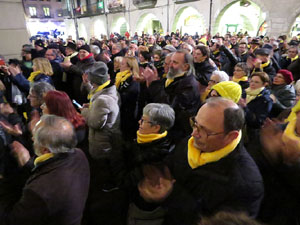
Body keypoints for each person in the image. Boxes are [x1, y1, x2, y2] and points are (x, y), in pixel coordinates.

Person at [138, 98, 264, 223]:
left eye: (206, 131)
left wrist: (171, 194)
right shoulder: (192, 142)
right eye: (195, 123)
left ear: (231, 136)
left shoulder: (246, 183)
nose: (194, 133)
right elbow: (171, 164)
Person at [0, 115, 90, 225]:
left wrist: (5, 183)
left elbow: (10, 220)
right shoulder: (79, 155)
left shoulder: (40, 191)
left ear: (45, 150)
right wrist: (27, 164)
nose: (32, 139)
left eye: (34, 137)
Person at [239, 72, 273, 141]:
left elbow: (257, 122)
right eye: (251, 81)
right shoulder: (244, 92)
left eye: (256, 82)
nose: (252, 84)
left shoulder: (265, 99)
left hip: (250, 134)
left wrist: (245, 107)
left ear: (264, 84)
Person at [115, 57, 140, 141]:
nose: (120, 66)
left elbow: (128, 96)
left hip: (129, 113)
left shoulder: (134, 80)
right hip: (122, 110)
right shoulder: (120, 77)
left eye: (122, 64)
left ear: (130, 67)